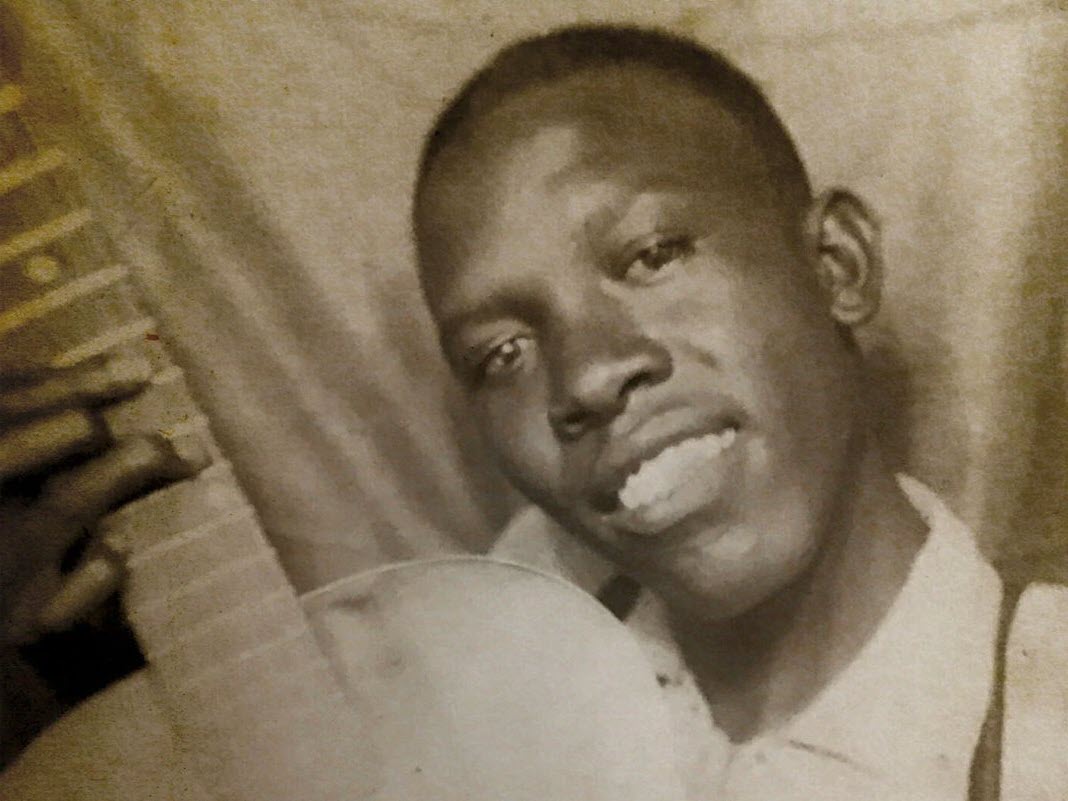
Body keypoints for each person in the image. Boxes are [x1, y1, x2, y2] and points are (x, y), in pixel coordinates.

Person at [411, 25, 1067, 801]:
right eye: (501, 354)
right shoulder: (521, 654)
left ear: (837, 264)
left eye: (653, 255)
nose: (584, 376)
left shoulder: (1042, 725)